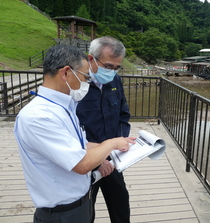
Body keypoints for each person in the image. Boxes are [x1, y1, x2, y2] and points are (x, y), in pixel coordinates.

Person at [14, 44, 135, 223]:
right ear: (65, 73)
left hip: (79, 201)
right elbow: (81, 163)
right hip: (62, 212)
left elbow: (79, 145)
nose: (87, 82)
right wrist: (111, 143)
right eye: (85, 76)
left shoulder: (64, 107)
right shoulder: (40, 117)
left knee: (120, 205)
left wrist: (114, 145)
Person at [76, 36, 131, 223]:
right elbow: (70, 131)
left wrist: (121, 143)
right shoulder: (75, 86)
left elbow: (123, 115)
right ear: (91, 59)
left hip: (113, 157)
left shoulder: (116, 82)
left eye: (117, 67)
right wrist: (97, 158)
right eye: (108, 66)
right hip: (86, 160)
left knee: (120, 204)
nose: (112, 72)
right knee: (86, 211)